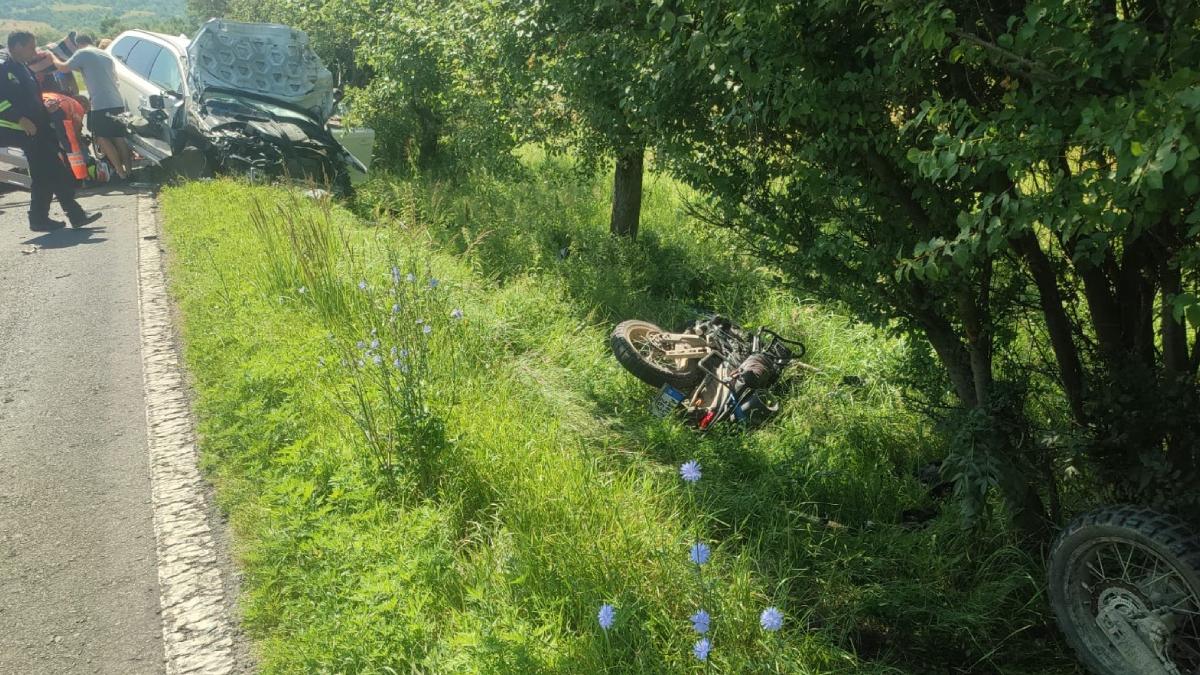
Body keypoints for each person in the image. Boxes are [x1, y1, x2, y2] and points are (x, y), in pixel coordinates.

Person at [0, 31, 101, 231]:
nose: (35, 51)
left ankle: (40, 219)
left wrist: (46, 109)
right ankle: (74, 214)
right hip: (19, 129)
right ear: (17, 46)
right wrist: (19, 119)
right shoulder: (4, 67)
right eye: (30, 47)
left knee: (43, 174)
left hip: (37, 128)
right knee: (54, 170)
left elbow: (30, 99)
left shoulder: (23, 67)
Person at [53, 33, 131, 179]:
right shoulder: (104, 54)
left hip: (101, 104)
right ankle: (129, 171)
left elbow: (64, 68)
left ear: (78, 45)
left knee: (101, 137)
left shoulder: (83, 53)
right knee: (119, 136)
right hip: (116, 101)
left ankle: (120, 172)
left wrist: (52, 58)